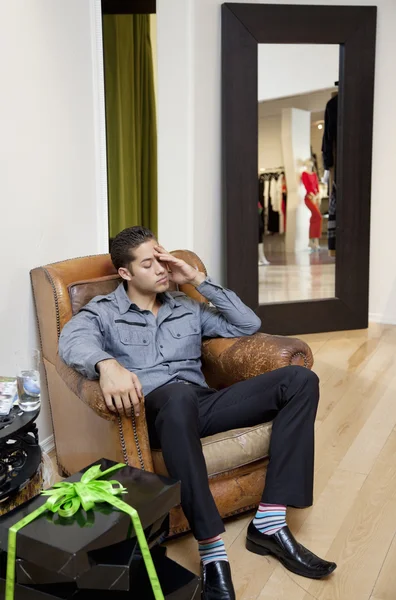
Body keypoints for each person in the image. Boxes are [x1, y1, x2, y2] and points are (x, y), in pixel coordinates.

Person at [59, 226, 337, 600]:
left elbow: (247, 324)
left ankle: (269, 522)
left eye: (161, 259)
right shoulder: (104, 311)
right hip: (157, 414)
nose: (159, 269)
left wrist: (197, 279)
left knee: (300, 381)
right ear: (125, 273)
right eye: (148, 264)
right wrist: (106, 364)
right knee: (176, 397)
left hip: (201, 403)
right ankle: (212, 549)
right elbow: (71, 340)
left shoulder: (186, 307)